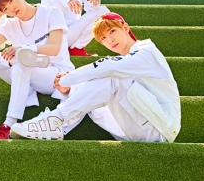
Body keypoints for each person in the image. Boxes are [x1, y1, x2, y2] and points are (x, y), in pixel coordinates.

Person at [10, 12, 181, 142]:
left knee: (112, 77)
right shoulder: (125, 62)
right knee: (99, 87)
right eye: (103, 38)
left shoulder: (146, 52)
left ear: (125, 28)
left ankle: (56, 120)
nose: (110, 40)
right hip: (133, 128)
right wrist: (71, 88)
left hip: (159, 128)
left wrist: (68, 78)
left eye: (112, 31)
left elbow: (108, 67)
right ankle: (56, 125)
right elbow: (100, 80)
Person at [0, 0, 74, 139]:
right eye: (5, 9)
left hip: (56, 73)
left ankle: (8, 124)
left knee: (21, 67)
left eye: (11, 1)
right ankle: (18, 62)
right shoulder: (11, 24)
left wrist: (25, 48)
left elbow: (54, 48)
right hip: (26, 72)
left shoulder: (51, 13)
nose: (11, 9)